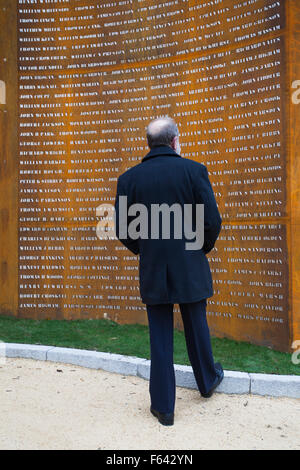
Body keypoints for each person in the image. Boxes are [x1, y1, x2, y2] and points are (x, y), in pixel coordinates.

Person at [114, 117, 224, 426]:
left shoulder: (129, 179)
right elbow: (212, 220)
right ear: (175, 141)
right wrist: (199, 247)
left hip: (154, 266)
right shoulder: (194, 170)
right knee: (197, 325)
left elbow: (124, 228)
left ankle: (164, 408)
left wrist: (144, 250)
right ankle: (207, 382)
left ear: (148, 144)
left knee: (160, 334)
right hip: (190, 263)